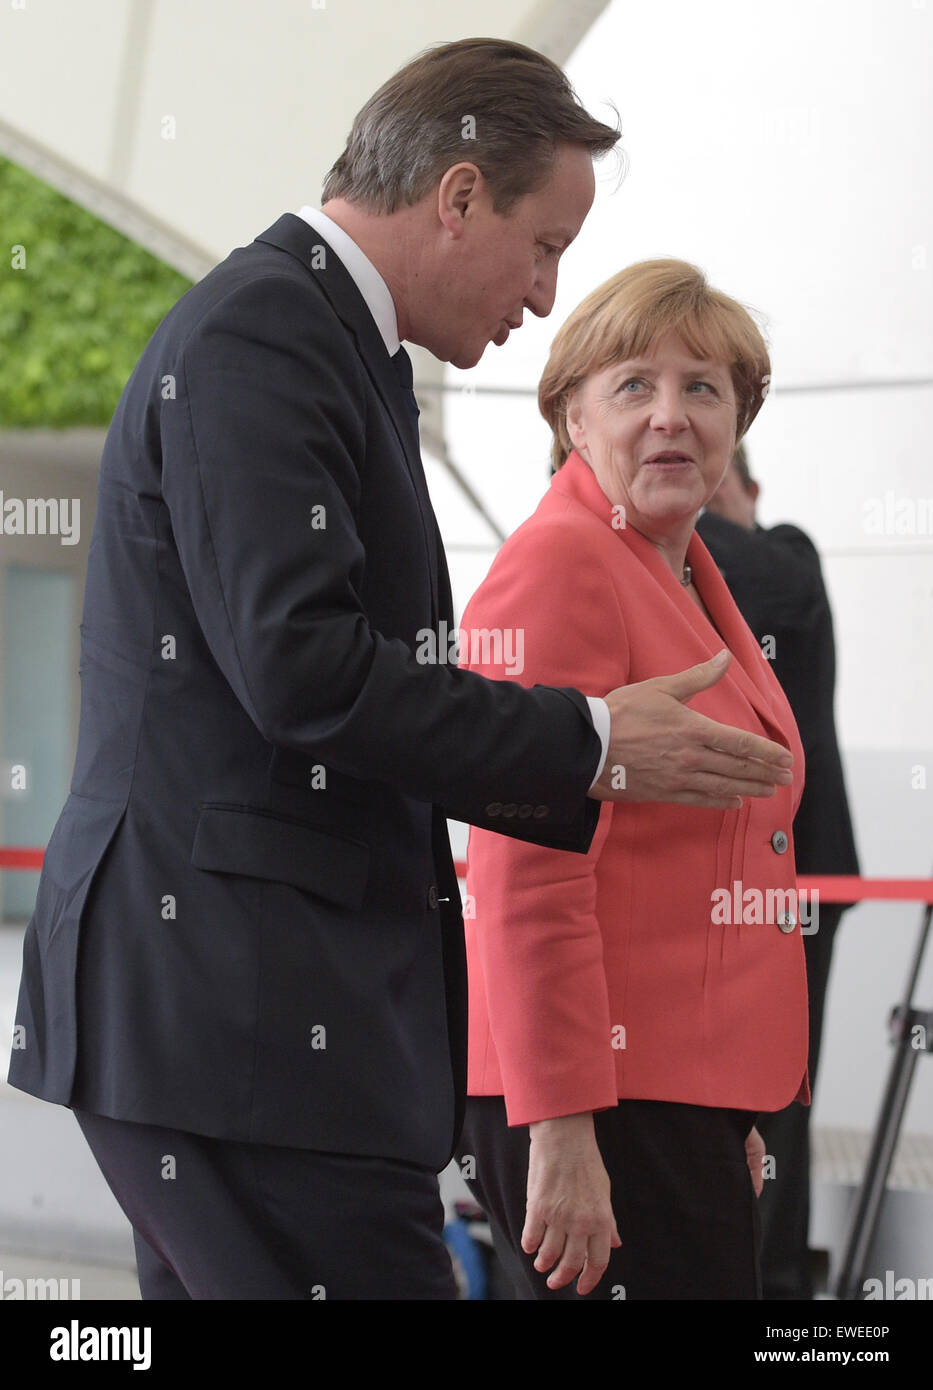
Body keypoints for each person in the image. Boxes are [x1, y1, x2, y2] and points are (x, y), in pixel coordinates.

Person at [6, 44, 794, 1301]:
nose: (545, 296)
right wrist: (591, 739)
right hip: (246, 1025)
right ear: (461, 195)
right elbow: (302, 672)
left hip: (247, 1026)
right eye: (544, 247)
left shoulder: (321, 341)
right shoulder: (268, 333)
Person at [457, 259, 809, 1300]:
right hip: (594, 1097)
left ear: (739, 417)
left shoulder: (681, 568)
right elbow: (525, 869)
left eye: (704, 388)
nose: (672, 417)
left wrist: (723, 1108)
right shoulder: (564, 563)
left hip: (668, 1098)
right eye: (633, 387)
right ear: (571, 415)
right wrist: (562, 1130)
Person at [697, 446, 860, 1299]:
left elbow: (752, 573)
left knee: (778, 1102)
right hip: (723, 880)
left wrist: (658, 496)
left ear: (753, 493)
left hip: (801, 880)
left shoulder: (786, 555)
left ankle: (782, 1291)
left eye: (712, 482)